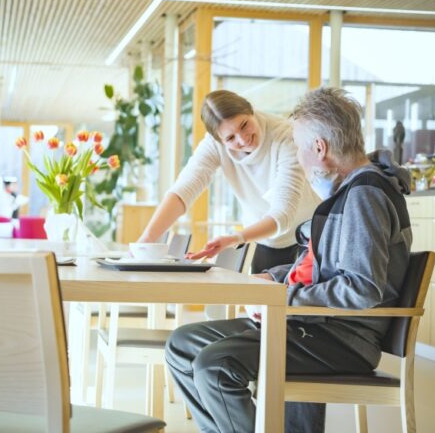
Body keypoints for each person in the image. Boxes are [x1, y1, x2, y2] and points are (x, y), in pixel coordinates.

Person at [165, 87, 413, 433]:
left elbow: (362, 288)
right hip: (316, 324)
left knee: (215, 365)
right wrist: (275, 277)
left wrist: (282, 297)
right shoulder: (349, 191)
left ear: (319, 148)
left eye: (298, 147)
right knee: (181, 345)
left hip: (341, 337)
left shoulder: (364, 196)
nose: (297, 155)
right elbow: (326, 264)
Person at [139, 90, 319, 273]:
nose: (243, 139)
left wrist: (235, 238)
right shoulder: (215, 144)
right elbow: (183, 191)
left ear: (250, 110)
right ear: (219, 139)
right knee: (264, 289)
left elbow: (283, 213)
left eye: (244, 125)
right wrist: (147, 240)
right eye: (230, 138)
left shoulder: (286, 136)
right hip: (266, 237)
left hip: (309, 231)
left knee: (305, 288)